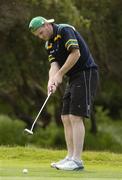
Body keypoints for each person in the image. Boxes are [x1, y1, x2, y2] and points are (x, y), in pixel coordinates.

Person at [29, 16, 99, 171]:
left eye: (41, 33)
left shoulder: (65, 30)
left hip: (86, 73)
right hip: (73, 77)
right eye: (38, 36)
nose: (41, 37)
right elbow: (54, 65)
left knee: (75, 116)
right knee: (65, 116)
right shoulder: (49, 43)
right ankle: (70, 157)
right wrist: (51, 80)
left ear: (47, 25)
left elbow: (76, 54)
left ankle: (77, 161)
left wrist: (60, 75)